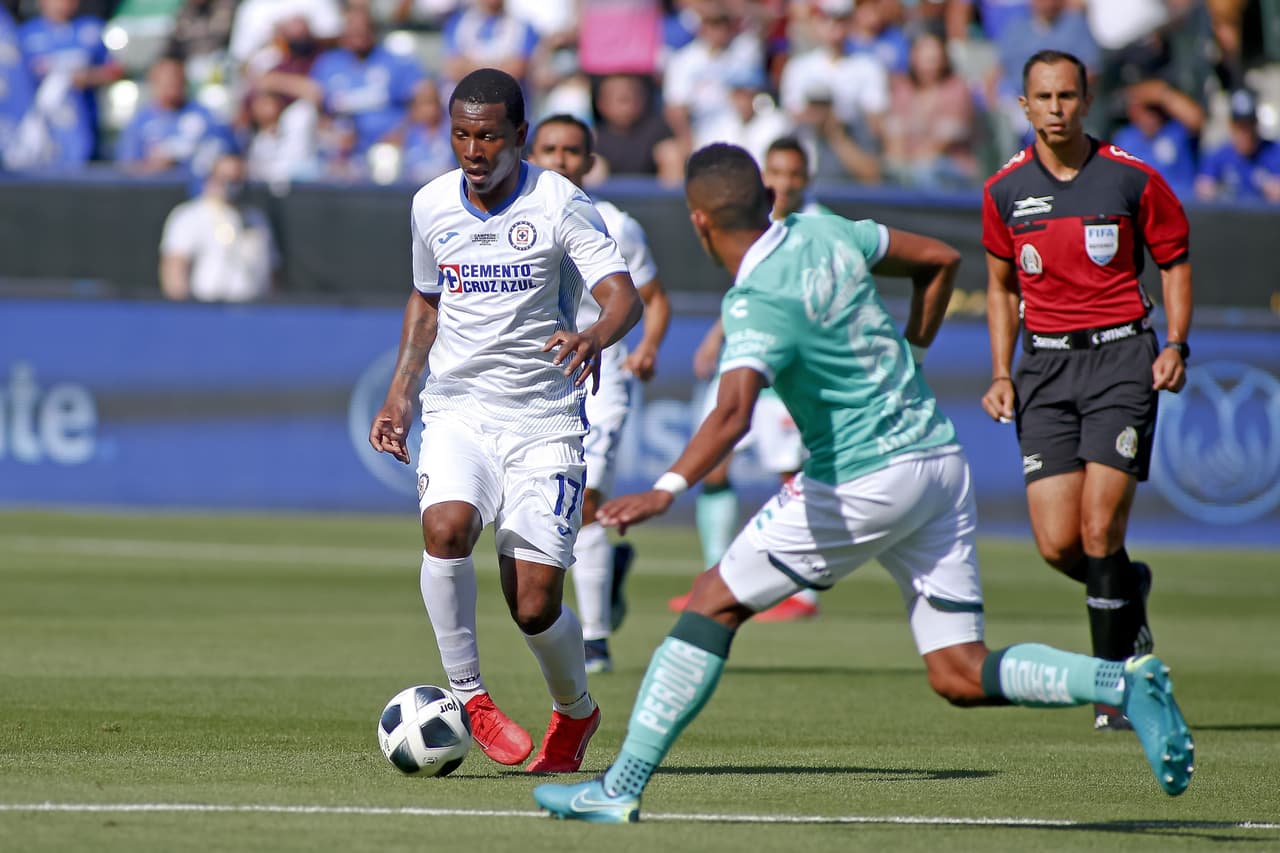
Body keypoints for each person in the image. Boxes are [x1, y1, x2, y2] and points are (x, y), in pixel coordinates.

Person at [531, 143, 1195, 823]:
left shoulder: (754, 300)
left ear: (699, 222)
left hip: (862, 476)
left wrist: (666, 488)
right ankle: (1120, 678)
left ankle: (620, 787)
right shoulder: (827, 231)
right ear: (769, 199)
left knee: (711, 601)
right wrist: (913, 354)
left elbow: (731, 414)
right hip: (938, 462)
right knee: (959, 671)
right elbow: (940, 260)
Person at [367, 68, 644, 774]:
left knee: (533, 605)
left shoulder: (561, 202)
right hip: (458, 410)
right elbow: (427, 299)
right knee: (445, 528)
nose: (473, 150)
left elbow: (623, 296)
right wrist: (401, 392)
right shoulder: (431, 205)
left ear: (520, 135)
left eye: (488, 136)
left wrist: (595, 335)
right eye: (461, 134)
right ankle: (470, 696)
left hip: (544, 421)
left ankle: (575, 711)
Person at [979, 50, 1194, 731]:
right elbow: (1000, 288)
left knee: (1101, 529)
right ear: (1024, 105)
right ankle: (1128, 589)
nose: (1055, 108)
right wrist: (1001, 372)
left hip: (1121, 360)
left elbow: (1174, 261)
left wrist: (1176, 343)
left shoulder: (1132, 178)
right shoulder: (1004, 190)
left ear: (1086, 100)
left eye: (1066, 96)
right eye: (1043, 97)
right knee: (1057, 543)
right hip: (1043, 370)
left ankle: (1114, 690)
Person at [527, 113, 672, 674]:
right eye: (549, 149)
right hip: (532, 380)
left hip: (600, 377)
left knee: (584, 499)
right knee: (542, 509)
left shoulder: (615, 224)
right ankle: (604, 579)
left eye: (571, 151)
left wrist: (647, 348)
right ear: (531, 154)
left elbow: (652, 299)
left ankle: (595, 639)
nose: (560, 160)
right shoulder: (511, 221)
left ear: (590, 161)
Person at [671, 136, 822, 622]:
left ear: (807, 179)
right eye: (776, 172)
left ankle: (802, 592)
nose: (786, 182)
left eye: (794, 173)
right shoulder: (754, 224)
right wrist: (716, 336)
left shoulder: (819, 229)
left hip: (786, 377)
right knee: (715, 466)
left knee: (792, 476)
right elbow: (751, 292)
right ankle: (714, 575)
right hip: (743, 361)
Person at [158, 153, 278, 302]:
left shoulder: (256, 218)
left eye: (238, 180)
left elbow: (272, 272)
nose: (232, 186)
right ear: (211, 179)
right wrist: (185, 310)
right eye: (225, 179)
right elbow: (175, 269)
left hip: (253, 307)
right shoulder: (190, 216)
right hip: (208, 308)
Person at [116, 55, 235, 176]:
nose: (172, 84)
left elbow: (228, 156)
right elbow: (127, 168)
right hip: (159, 186)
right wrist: (155, 166)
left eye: (176, 78)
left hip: (199, 184)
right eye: (166, 80)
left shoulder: (205, 116)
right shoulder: (140, 122)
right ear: (154, 82)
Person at [1194, 88, 1280, 204]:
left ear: (1256, 124)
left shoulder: (1274, 151)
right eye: (1240, 126)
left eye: (1249, 124)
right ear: (1231, 126)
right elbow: (1203, 187)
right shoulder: (1218, 156)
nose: (1245, 132)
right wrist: (1218, 192)